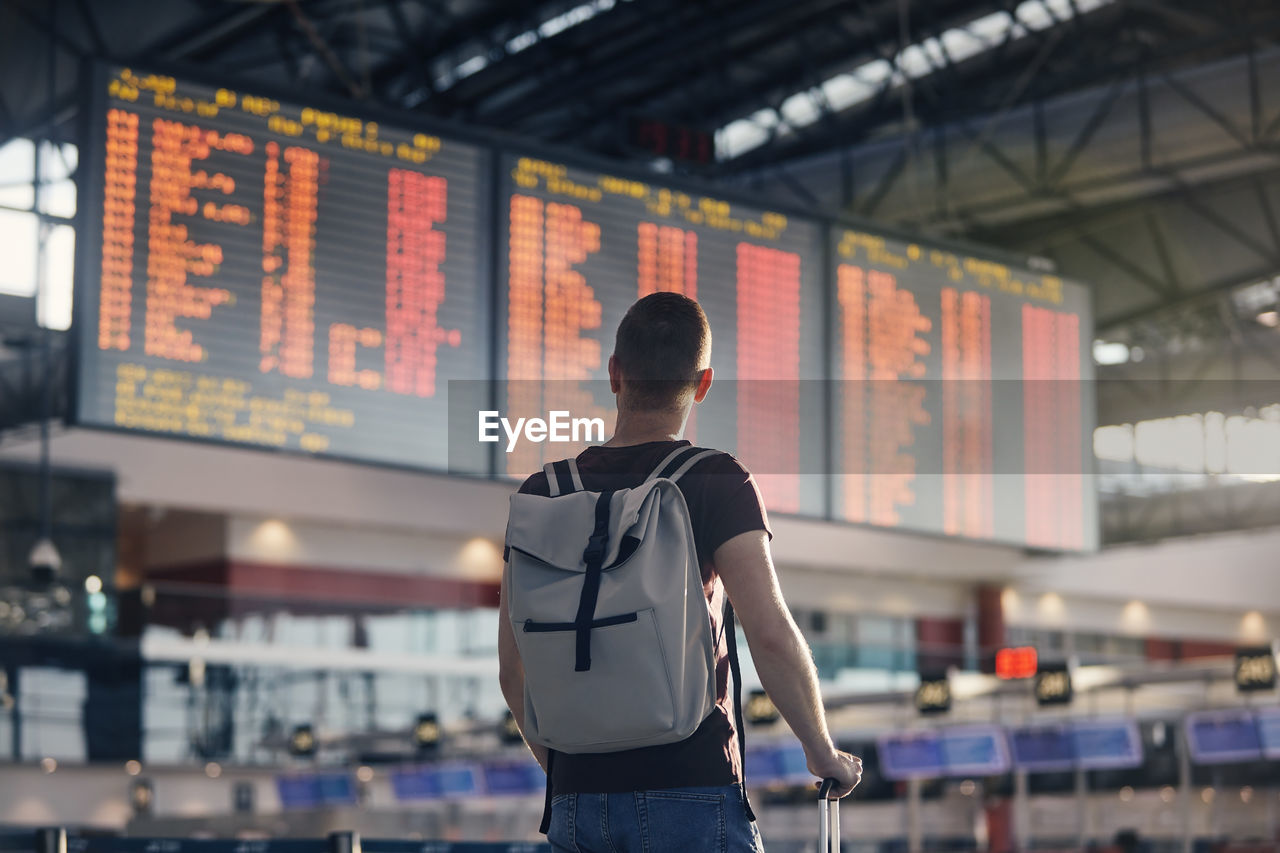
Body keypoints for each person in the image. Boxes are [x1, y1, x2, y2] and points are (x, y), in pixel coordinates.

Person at [498, 292, 862, 852]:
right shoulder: (715, 480)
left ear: (615, 373)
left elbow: (513, 669)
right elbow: (768, 631)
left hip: (575, 800)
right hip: (691, 784)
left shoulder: (540, 494)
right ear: (704, 382)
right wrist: (822, 751)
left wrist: (571, 775)